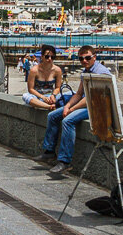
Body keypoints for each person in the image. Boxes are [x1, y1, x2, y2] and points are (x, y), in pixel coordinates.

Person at [33, 44, 109, 175]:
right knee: (53, 115)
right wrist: (67, 106)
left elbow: (91, 98)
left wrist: (72, 108)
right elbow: (79, 94)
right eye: (81, 59)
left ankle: (64, 161)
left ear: (94, 57)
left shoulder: (100, 72)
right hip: (86, 103)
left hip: (98, 107)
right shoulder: (86, 72)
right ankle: (49, 151)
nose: (84, 61)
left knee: (67, 121)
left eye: (87, 58)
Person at [22, 44, 62, 111]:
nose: (49, 59)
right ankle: (48, 107)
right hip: (36, 95)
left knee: (67, 95)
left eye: (52, 57)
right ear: (42, 56)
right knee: (25, 96)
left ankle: (46, 104)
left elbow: (58, 87)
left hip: (50, 95)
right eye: (47, 57)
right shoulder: (34, 70)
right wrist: (42, 97)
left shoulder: (57, 70)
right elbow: (31, 89)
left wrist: (53, 95)